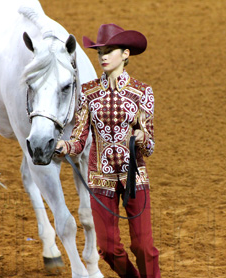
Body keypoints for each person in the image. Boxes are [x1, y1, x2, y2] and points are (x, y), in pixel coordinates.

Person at [56, 23, 160, 278]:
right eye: (100, 51)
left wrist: (141, 136)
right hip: (100, 178)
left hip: (134, 177)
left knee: (143, 247)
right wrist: (63, 147)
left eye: (110, 50)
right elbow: (79, 140)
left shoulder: (142, 92)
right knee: (108, 248)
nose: (103, 56)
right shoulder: (88, 93)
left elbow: (149, 146)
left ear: (126, 54)